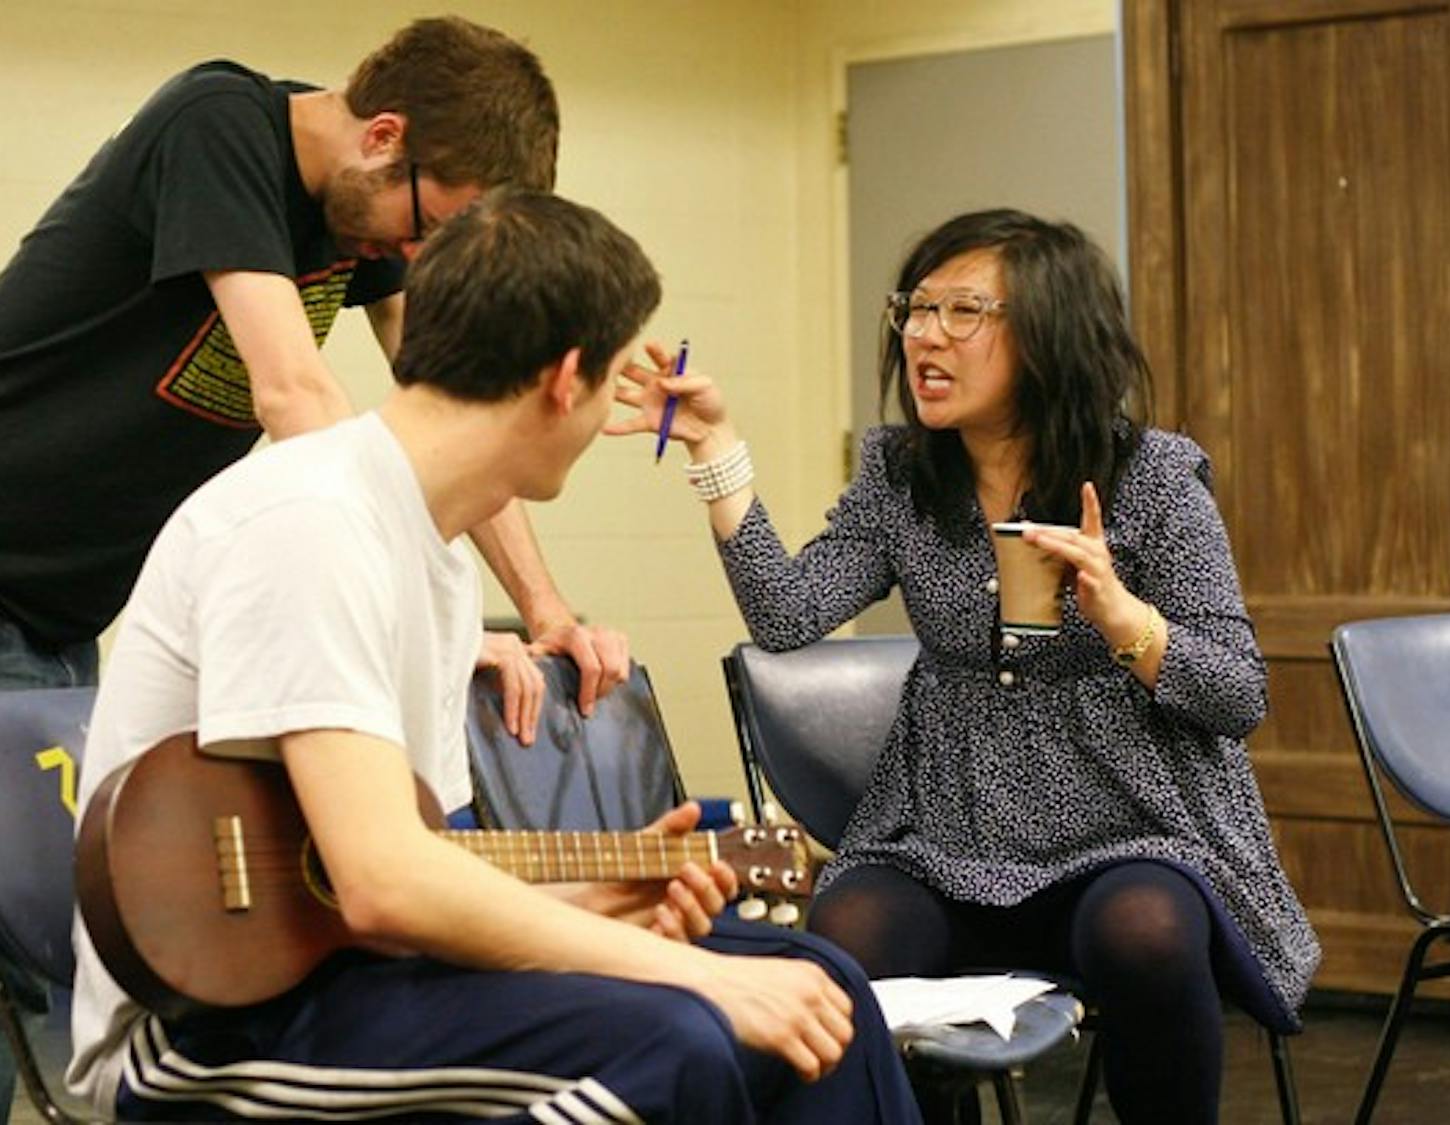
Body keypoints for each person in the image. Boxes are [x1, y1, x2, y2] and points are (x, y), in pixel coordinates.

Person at [64, 188, 921, 1125]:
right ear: (565, 379)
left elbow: (418, 861)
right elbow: (385, 882)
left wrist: (593, 907)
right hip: (202, 1031)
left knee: (816, 978)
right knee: (676, 1038)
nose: (601, 418)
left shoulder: (431, 553)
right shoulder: (308, 521)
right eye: (604, 387)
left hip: (351, 970)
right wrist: (675, 968)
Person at [614, 209, 1321, 1124]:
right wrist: (716, 450)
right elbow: (787, 615)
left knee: (1146, 928)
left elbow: (1237, 693)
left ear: (1048, 336)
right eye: (916, 307)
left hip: (1126, 828)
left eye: (962, 312)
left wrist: (1123, 616)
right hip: (947, 831)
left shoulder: (1152, 477)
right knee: (845, 937)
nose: (922, 335)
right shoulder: (904, 474)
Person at [0, 16, 625, 724]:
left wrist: (544, 610)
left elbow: (458, 407)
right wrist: (426, 624)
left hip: (63, 614)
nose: (420, 257)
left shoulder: (376, 203)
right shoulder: (218, 129)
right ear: (384, 136)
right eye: (428, 229)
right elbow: (293, 393)